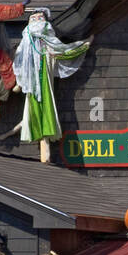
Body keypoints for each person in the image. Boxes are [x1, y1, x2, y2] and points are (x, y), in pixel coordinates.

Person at [12, 8, 92, 162]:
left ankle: (45, 141)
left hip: (44, 80)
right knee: (33, 108)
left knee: (46, 105)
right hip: (31, 85)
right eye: (33, 18)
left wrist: (83, 45)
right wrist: (20, 81)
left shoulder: (48, 42)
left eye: (39, 18)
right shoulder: (25, 43)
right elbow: (18, 60)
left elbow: (62, 51)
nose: (36, 20)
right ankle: (41, 140)